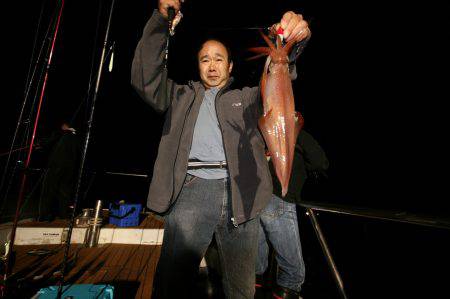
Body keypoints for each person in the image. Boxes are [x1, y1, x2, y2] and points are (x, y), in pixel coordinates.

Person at [131, 0, 311, 297]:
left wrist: (291, 40)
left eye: (218, 59)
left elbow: (279, 80)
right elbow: (144, 77)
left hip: (242, 194)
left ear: (229, 66)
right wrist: (160, 21)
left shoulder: (249, 99)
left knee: (241, 288)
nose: (212, 65)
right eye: (204, 59)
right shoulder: (179, 96)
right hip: (191, 191)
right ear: (198, 66)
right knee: (171, 284)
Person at [255, 130, 329, 299]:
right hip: (278, 200)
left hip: (254, 199)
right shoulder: (297, 135)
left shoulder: (264, 133)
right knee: (293, 273)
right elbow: (321, 163)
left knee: (255, 267)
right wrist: (299, 133)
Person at [37, 122, 80, 222]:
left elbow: (48, 142)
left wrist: (40, 144)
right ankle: (63, 214)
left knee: (49, 189)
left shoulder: (62, 133)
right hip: (70, 168)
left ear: (65, 126)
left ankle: (44, 215)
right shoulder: (76, 135)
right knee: (64, 190)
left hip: (57, 165)